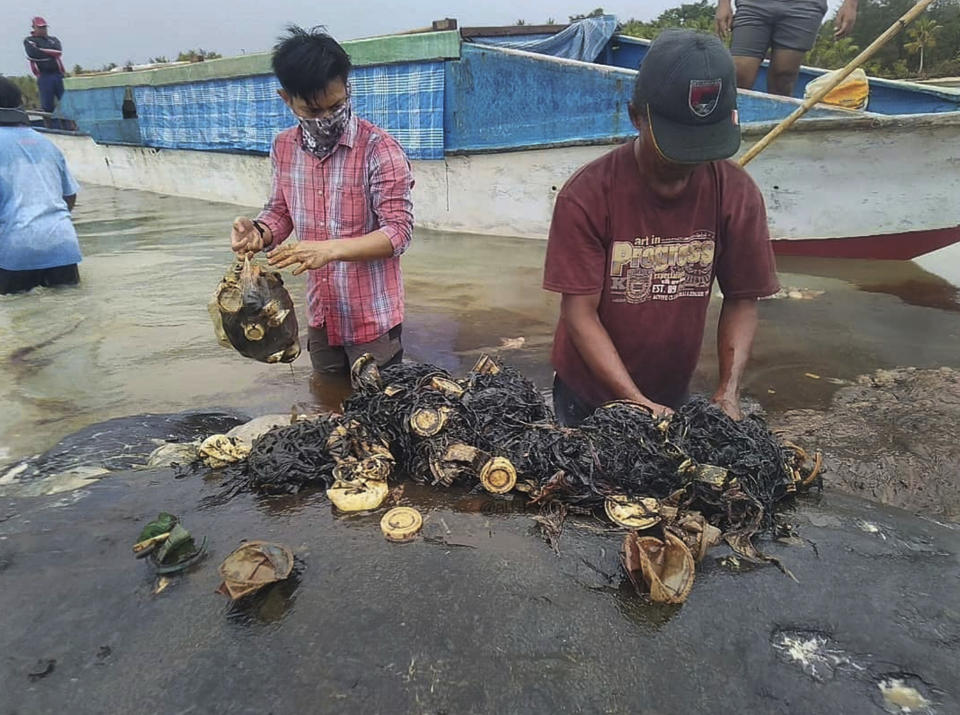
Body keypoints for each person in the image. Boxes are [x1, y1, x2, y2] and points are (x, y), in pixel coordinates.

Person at [543, 29, 779, 426]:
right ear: (637, 117)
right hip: (587, 392)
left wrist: (728, 390)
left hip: (672, 388)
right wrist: (634, 400)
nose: (691, 162)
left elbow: (742, 298)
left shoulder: (737, 192)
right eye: (679, 144)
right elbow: (579, 314)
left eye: (703, 144)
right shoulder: (585, 195)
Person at [230, 26, 414, 377]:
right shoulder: (283, 147)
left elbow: (399, 233)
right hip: (322, 315)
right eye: (313, 111)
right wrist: (259, 232)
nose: (327, 119)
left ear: (347, 88)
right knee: (328, 408)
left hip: (371, 319)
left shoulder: (380, 149)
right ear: (287, 99)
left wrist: (329, 250)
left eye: (337, 105)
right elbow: (280, 211)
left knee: (382, 416)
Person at [0, 77, 82, 295]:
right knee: (71, 314)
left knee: (23, 320)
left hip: (16, 251)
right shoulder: (47, 143)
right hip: (62, 245)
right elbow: (69, 197)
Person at [715, 0, 858, 96]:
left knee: (784, 75)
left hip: (804, 6)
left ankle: (775, 128)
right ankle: (725, 128)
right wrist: (723, 3)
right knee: (739, 73)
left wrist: (850, 4)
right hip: (753, 4)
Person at [24, 16, 66, 116]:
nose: (43, 30)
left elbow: (58, 51)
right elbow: (33, 53)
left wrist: (41, 50)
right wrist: (50, 54)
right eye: (40, 27)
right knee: (47, 106)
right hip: (44, 76)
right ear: (34, 28)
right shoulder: (29, 40)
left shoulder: (53, 39)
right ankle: (49, 128)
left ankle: (72, 126)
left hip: (58, 75)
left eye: (44, 27)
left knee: (66, 102)